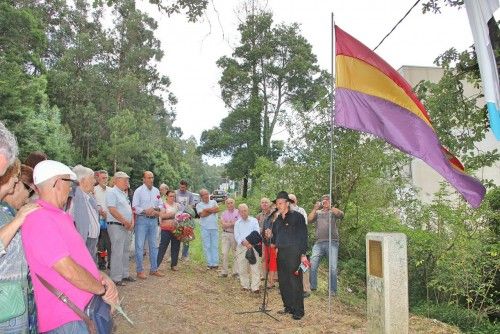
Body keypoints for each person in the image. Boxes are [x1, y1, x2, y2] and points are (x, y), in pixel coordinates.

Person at [21, 160, 118, 333]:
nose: (71, 189)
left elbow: (79, 259)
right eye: (69, 183)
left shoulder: (59, 216)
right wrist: (102, 291)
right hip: (67, 318)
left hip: (80, 313)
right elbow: (68, 270)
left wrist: (101, 276)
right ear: (57, 183)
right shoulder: (39, 218)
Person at [0, 161, 38, 333]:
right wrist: (18, 220)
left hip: (16, 300)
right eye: (14, 180)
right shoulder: (10, 215)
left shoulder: (6, 212)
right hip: (6, 304)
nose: (14, 184)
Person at [265, 191, 308, 320]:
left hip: (294, 253)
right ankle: (288, 306)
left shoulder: (297, 217)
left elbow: (303, 236)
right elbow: (275, 239)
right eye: (277, 203)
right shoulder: (277, 220)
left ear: (287, 203)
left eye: (280, 203)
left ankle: (298, 310)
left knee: (295, 281)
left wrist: (303, 254)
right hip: (281, 253)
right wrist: (270, 236)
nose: (278, 205)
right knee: (283, 282)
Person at [308, 194, 344, 295]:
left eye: (327, 200)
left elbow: (341, 215)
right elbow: (309, 220)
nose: (325, 201)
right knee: (313, 263)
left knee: (332, 266)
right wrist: (315, 208)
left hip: (332, 242)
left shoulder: (333, 211)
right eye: (324, 200)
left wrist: (330, 207)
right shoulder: (318, 212)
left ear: (330, 201)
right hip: (319, 243)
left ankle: (332, 290)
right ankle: (312, 286)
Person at [132, 171, 165, 279]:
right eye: (149, 177)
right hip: (142, 220)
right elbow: (134, 207)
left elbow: (161, 204)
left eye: (152, 177)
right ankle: (139, 270)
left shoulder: (156, 191)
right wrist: (145, 211)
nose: (151, 179)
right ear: (144, 179)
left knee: (154, 245)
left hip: (153, 221)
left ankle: (154, 269)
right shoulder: (138, 191)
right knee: (140, 246)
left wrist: (156, 210)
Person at [106, 171, 135, 286]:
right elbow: (112, 209)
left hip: (126, 226)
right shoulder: (112, 192)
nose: (127, 182)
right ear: (117, 180)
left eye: (127, 180)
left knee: (125, 250)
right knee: (117, 251)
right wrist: (125, 221)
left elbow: (129, 209)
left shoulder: (123, 193)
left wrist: (131, 222)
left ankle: (125, 274)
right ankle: (116, 278)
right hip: (116, 225)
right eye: (125, 180)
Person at [70, 165, 100, 262]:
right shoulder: (74, 198)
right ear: (82, 181)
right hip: (83, 241)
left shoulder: (89, 197)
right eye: (92, 178)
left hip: (92, 241)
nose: (94, 181)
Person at [234, 203, 261, 293]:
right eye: (241, 211)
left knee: (255, 267)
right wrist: (244, 242)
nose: (243, 213)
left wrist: (249, 242)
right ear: (239, 212)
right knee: (242, 268)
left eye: (245, 210)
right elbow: (237, 235)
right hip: (241, 247)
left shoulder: (254, 221)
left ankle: (255, 287)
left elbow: (256, 233)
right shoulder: (237, 223)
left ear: (248, 210)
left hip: (253, 246)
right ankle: (245, 285)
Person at [289, 193, 311, 298]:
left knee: (304, 264)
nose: (291, 202)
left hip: (300, 241)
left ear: (296, 201)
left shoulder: (301, 211)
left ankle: (306, 289)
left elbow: (304, 226)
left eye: (293, 200)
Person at [157, 190, 182, 271]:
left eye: (174, 196)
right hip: (166, 229)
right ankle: (156, 265)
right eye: (171, 196)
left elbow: (181, 216)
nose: (172, 198)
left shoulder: (178, 205)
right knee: (162, 247)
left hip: (176, 229)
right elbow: (162, 216)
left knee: (176, 247)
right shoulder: (163, 205)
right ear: (167, 196)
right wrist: (172, 214)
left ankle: (174, 265)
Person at [196, 189, 219, 269]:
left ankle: (215, 263)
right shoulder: (199, 205)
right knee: (207, 246)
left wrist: (206, 210)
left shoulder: (214, 202)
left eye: (207, 194)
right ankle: (209, 263)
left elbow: (217, 209)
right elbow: (202, 215)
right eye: (204, 195)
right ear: (201, 196)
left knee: (215, 245)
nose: (206, 196)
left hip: (214, 227)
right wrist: (211, 210)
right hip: (205, 228)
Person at [94, 170, 112, 270]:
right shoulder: (94, 190)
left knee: (110, 244)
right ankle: (101, 262)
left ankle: (111, 262)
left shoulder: (111, 190)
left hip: (109, 220)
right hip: (99, 221)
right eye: (103, 178)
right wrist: (100, 211)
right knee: (101, 245)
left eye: (106, 178)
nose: (105, 180)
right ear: (98, 179)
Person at [256, 197, 276, 282]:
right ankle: (264, 275)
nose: (264, 204)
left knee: (273, 259)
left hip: (272, 240)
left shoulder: (273, 215)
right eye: (262, 202)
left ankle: (274, 277)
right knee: (264, 258)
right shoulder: (259, 216)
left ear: (269, 204)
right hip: (262, 240)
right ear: (260, 204)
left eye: (266, 202)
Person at [220, 197, 240, 278]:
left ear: (234, 203)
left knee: (236, 253)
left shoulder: (238, 212)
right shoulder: (223, 213)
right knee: (224, 253)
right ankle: (224, 272)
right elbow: (222, 224)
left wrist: (227, 224)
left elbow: (238, 223)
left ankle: (235, 272)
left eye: (231, 202)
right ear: (226, 204)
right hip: (225, 235)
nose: (230, 204)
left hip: (235, 235)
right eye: (228, 203)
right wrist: (231, 223)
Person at [175, 179, 194, 261]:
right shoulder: (175, 193)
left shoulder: (190, 194)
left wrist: (186, 213)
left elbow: (192, 205)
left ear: (186, 187)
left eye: (183, 187)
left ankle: (184, 255)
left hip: (186, 219)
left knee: (186, 237)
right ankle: (174, 255)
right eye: (180, 187)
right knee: (176, 236)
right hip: (177, 218)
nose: (182, 189)